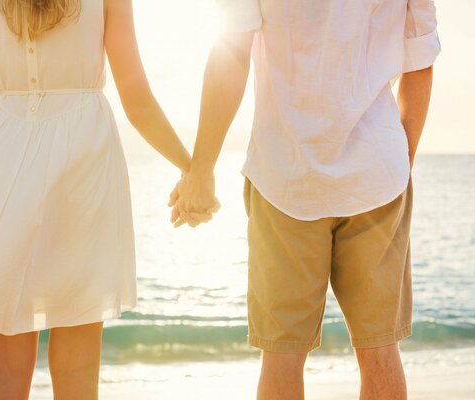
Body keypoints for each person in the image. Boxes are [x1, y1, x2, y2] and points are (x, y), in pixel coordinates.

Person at [0, 0, 191, 399]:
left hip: (2, 162)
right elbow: (135, 97)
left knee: (5, 369)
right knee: (78, 368)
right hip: (84, 160)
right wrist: (192, 168)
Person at [171, 0, 440, 399]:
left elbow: (233, 50)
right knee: (380, 350)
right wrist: (401, 158)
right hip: (375, 175)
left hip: (285, 172)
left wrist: (201, 170)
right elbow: (420, 52)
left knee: (282, 355)